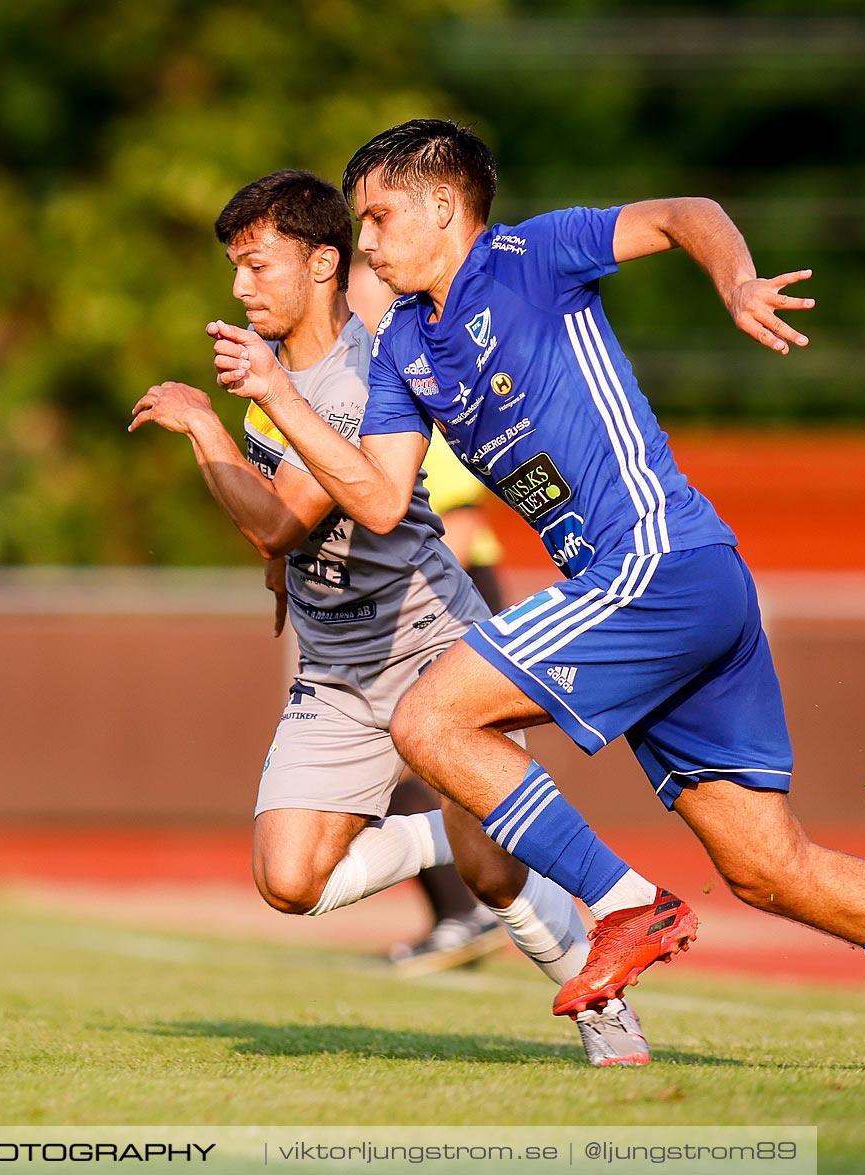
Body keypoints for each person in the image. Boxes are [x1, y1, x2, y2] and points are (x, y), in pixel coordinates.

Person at [208, 122, 865, 1073]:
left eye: (379, 217)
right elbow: (378, 500)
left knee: (430, 720)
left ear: (442, 206)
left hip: (659, 561)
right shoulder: (403, 351)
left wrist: (737, 280)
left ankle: (626, 903)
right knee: (767, 866)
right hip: (667, 587)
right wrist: (280, 398)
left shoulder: (529, 255)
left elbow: (684, 214)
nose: (367, 242)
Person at [130, 169, 649, 1065]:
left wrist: (202, 428)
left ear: (322, 262)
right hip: (335, 668)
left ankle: (608, 1016)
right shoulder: (280, 371)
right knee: (288, 881)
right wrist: (284, 571)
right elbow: (286, 526)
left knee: (493, 874)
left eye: (257, 265)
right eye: (235, 269)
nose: (240, 286)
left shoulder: (360, 374)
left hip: (427, 642)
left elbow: (282, 517)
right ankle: (434, 829)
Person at [351, 254, 510, 974]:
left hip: (443, 587)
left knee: (420, 752)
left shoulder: (408, 373)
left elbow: (459, 512)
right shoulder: (373, 373)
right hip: (412, 590)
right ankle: (469, 908)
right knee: (406, 758)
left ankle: (476, 908)